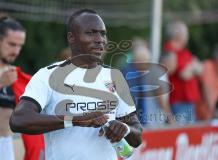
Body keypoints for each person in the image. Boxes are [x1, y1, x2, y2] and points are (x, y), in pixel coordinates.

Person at [9, 9, 142, 160]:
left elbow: (137, 136)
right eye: (91, 33)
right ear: (71, 37)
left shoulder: (114, 76)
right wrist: (74, 119)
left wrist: (123, 129)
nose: (100, 40)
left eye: (103, 33)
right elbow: (18, 120)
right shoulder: (47, 75)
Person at [0, 16, 44, 160]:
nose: (16, 51)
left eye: (20, 46)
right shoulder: (6, 79)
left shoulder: (19, 79)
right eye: (12, 44)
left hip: (6, 144)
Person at [164, 21, 203, 124]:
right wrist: (193, 65)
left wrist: (192, 67)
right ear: (178, 34)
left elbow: (200, 70)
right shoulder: (170, 50)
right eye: (186, 33)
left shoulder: (184, 52)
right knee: (181, 136)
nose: (187, 36)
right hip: (179, 101)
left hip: (188, 102)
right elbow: (184, 75)